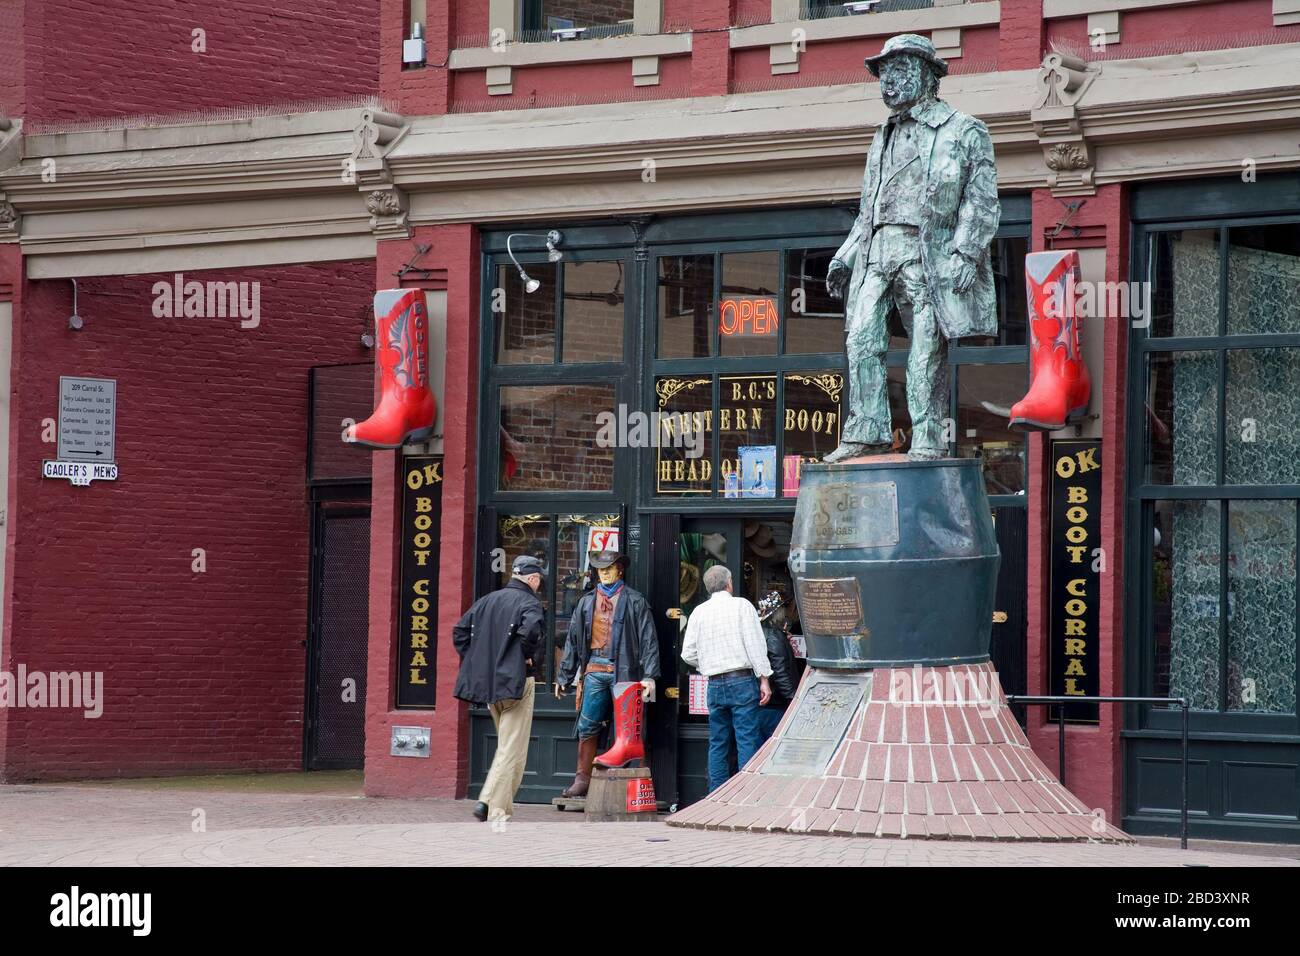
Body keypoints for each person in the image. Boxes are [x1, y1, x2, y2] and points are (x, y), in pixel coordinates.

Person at [823, 33, 1000, 463]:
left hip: (928, 253)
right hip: (876, 252)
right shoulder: (880, 136)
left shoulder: (963, 130)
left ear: (928, 75)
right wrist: (845, 255)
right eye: (884, 75)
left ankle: (928, 436)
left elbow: (981, 199)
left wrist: (966, 252)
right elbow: (869, 207)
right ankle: (867, 430)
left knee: (925, 352)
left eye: (899, 72)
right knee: (861, 338)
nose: (889, 84)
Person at [555, 550, 660, 798]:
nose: (604, 573)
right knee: (587, 725)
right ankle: (582, 778)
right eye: (600, 569)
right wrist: (565, 675)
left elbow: (649, 639)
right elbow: (573, 640)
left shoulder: (635, 600)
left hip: (624, 670)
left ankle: (630, 783)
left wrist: (649, 675)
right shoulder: (586, 601)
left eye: (609, 568)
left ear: (619, 570)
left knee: (629, 727)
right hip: (594, 669)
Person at [452, 554, 546, 823]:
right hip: (517, 683)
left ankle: (500, 805)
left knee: (509, 746)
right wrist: (523, 656)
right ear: (533, 578)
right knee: (510, 748)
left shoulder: (486, 601)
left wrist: (479, 660)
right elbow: (530, 633)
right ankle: (491, 804)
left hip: (490, 684)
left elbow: (460, 632)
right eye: (538, 580)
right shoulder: (529, 602)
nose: (539, 585)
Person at [680, 565, 773, 793]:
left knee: (718, 741)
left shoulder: (699, 612)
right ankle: (746, 793)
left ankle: (716, 794)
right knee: (746, 738)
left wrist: (709, 665)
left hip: (713, 683)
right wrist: (764, 679)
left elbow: (687, 654)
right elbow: (755, 645)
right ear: (729, 583)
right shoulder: (742, 606)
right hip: (741, 680)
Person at [755, 590, 799, 741]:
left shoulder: (760, 633)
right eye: (783, 608)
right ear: (778, 612)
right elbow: (780, 672)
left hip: (765, 704)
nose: (786, 612)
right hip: (775, 704)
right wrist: (793, 699)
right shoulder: (773, 636)